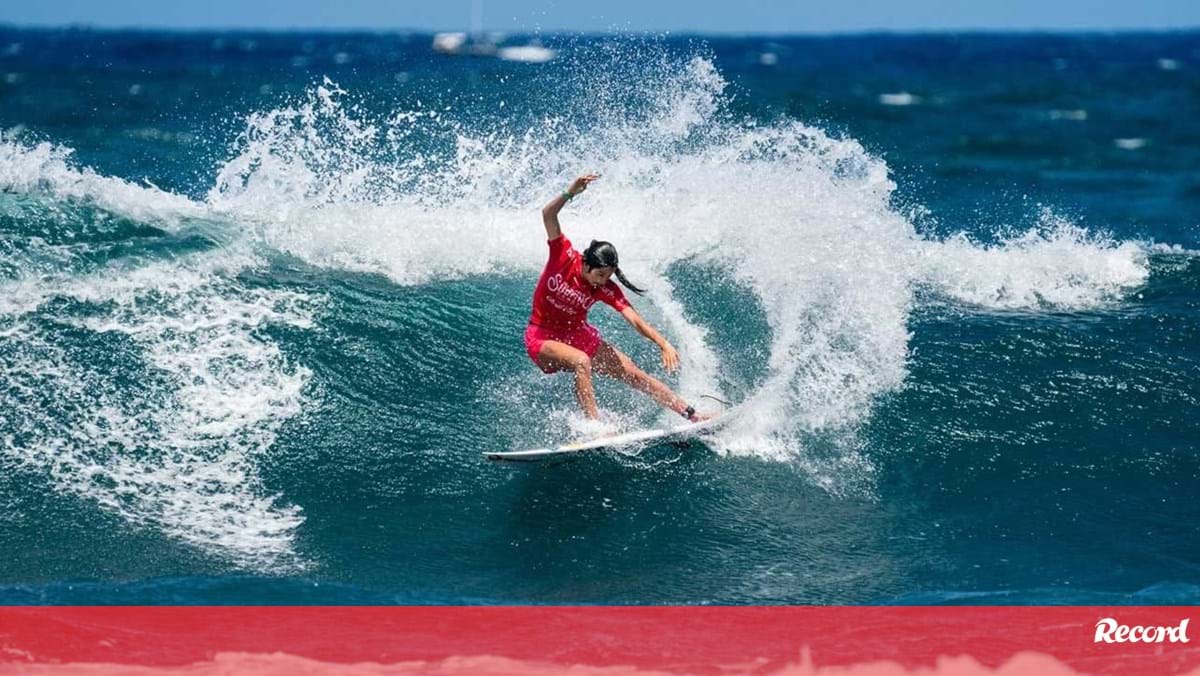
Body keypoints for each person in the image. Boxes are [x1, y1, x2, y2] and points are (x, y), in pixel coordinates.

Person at [524, 173, 706, 423]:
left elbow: (634, 320)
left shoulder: (605, 288)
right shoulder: (562, 255)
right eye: (599, 274)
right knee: (580, 361)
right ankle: (594, 427)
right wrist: (570, 193)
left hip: (577, 335)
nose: (602, 281)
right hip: (541, 337)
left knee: (632, 373)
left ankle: (692, 415)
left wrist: (663, 343)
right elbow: (548, 215)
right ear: (586, 263)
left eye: (608, 275)